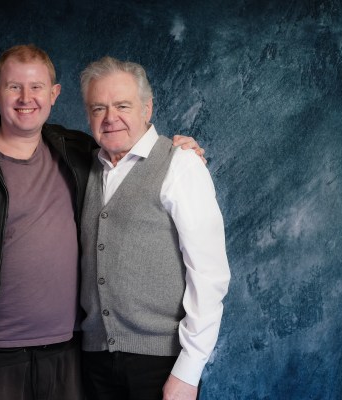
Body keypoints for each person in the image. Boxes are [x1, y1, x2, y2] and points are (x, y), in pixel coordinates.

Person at [0, 45, 204, 400]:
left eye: (37, 87)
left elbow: (128, 147)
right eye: (14, 87)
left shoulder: (77, 151)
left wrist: (180, 151)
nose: (26, 98)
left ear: (54, 94)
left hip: (70, 352)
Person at [78, 56, 231, 400]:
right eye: (98, 108)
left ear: (147, 109)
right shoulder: (84, 167)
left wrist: (189, 370)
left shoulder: (181, 164)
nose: (110, 117)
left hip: (161, 363)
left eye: (123, 105)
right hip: (94, 360)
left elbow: (209, 275)